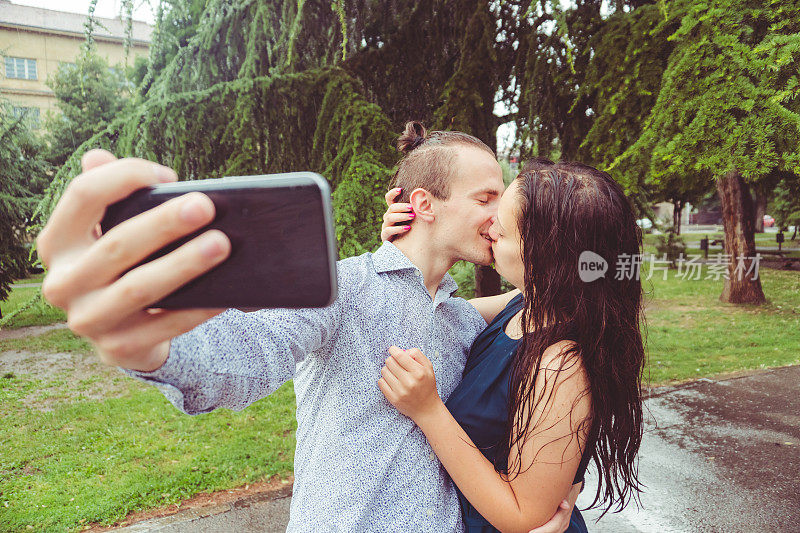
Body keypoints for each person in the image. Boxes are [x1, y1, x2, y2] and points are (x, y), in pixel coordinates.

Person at [36, 123, 579, 532]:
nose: (498, 217)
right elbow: (250, 354)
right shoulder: (342, 288)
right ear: (423, 205)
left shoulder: (464, 321)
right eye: (486, 198)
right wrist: (154, 346)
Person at [378, 159, 645, 532]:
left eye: (501, 231)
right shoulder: (526, 304)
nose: (489, 229)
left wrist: (428, 411)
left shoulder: (560, 365)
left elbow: (522, 516)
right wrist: (410, 242)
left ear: (546, 257)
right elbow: (434, 313)